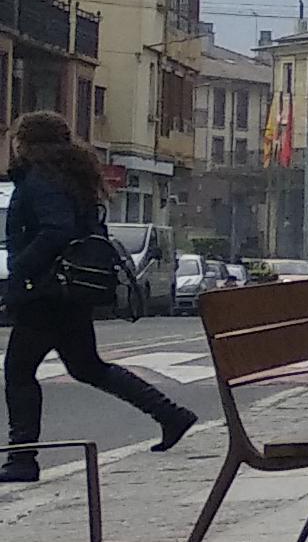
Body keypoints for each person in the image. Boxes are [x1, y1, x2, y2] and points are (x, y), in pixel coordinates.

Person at [0, 108, 190, 478]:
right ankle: (171, 414)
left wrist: (22, 266)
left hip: (49, 292)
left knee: (19, 371)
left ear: (27, 142)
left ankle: (22, 458)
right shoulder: (68, 176)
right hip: (70, 291)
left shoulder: (41, 179)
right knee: (87, 367)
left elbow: (56, 230)